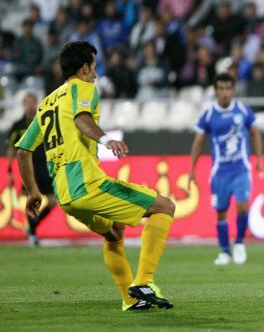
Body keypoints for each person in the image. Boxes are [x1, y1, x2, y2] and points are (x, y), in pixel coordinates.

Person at [15, 41, 176, 311]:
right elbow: (82, 119)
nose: (96, 74)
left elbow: (23, 151)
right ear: (83, 68)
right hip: (87, 184)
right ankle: (144, 282)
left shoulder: (46, 104)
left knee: (114, 232)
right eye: (93, 67)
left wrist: (33, 191)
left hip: (65, 196)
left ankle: (130, 300)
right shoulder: (83, 87)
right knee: (165, 207)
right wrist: (106, 139)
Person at [188, 73, 264, 266]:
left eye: (228, 88)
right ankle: (224, 251)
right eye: (221, 89)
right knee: (221, 212)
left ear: (233, 90)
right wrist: (192, 169)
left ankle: (239, 242)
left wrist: (258, 159)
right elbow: (198, 142)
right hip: (219, 172)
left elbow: (255, 133)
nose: (225, 93)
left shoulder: (243, 110)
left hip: (241, 169)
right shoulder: (208, 114)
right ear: (215, 91)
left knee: (243, 206)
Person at [5, 91, 58, 246]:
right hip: (28, 168)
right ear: (23, 104)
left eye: (32, 102)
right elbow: (11, 148)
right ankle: (33, 233)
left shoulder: (44, 122)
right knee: (32, 200)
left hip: (45, 166)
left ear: (37, 103)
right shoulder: (18, 126)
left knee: (54, 201)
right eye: (27, 102)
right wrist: (9, 170)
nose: (30, 105)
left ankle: (34, 225)